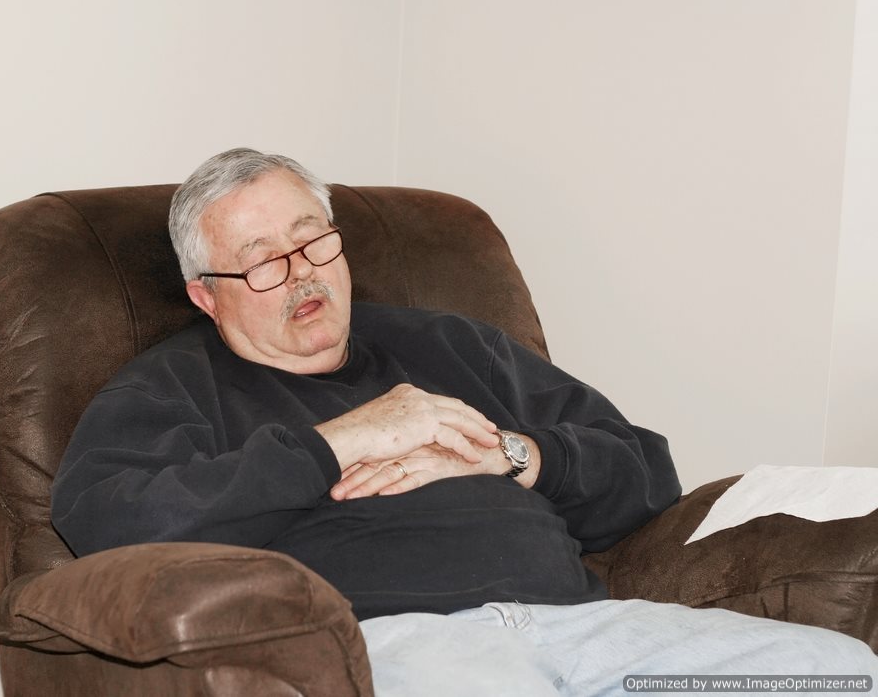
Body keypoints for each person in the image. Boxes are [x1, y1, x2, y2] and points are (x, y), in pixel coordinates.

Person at [51, 148, 876, 695]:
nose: (304, 273)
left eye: (314, 240)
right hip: (412, 650)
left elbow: (646, 470)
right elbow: (100, 514)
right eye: (265, 260)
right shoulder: (172, 388)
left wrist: (512, 454)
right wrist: (339, 441)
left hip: (591, 627)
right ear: (206, 291)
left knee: (837, 673)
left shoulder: (452, 344)